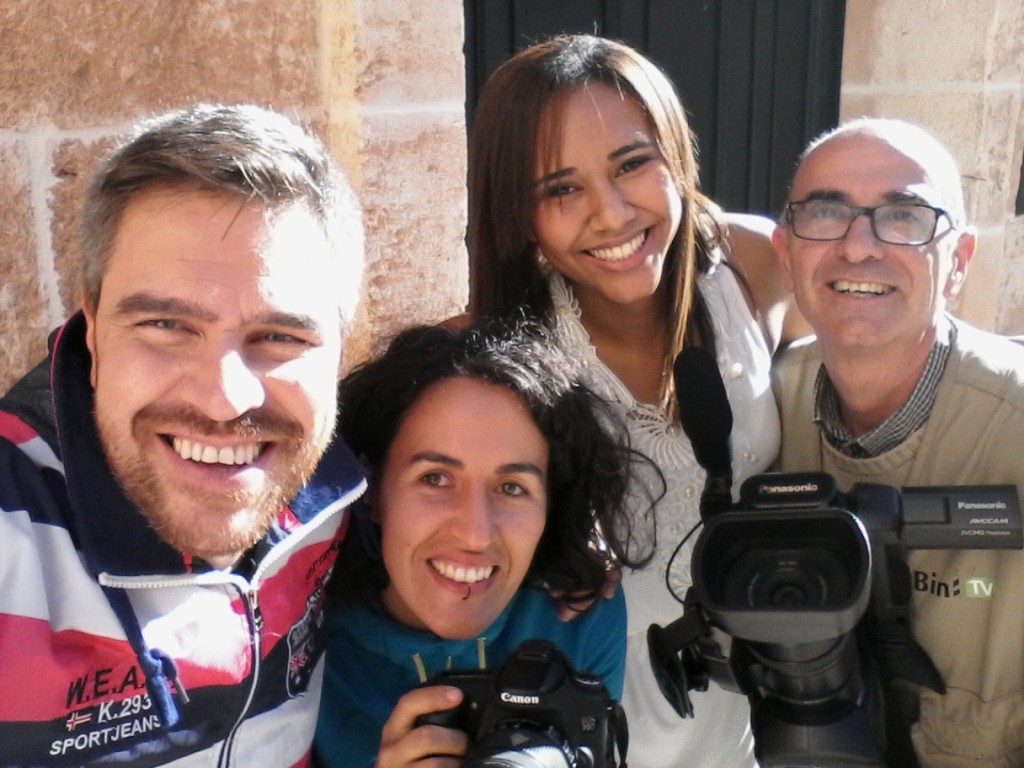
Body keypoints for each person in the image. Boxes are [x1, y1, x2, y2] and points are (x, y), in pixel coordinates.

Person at [467, 34, 809, 767]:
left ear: (676, 155)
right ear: (517, 212)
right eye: (561, 189)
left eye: (632, 164)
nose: (612, 213)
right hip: (602, 717)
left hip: (758, 706)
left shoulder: (752, 265)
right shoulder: (496, 355)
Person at [0, 103, 367, 767]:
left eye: (281, 336)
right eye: (166, 326)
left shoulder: (340, 490)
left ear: (341, 353)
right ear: (92, 330)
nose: (225, 400)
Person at [772, 116, 1024, 767]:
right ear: (785, 251)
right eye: (826, 212)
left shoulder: (1014, 424)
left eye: (905, 216)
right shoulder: (760, 411)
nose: (859, 246)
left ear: (960, 261)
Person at [313, 319, 657, 768]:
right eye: (435, 479)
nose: (475, 533)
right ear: (373, 489)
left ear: (552, 502)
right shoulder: (304, 640)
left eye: (513, 487)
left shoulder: (576, 619)